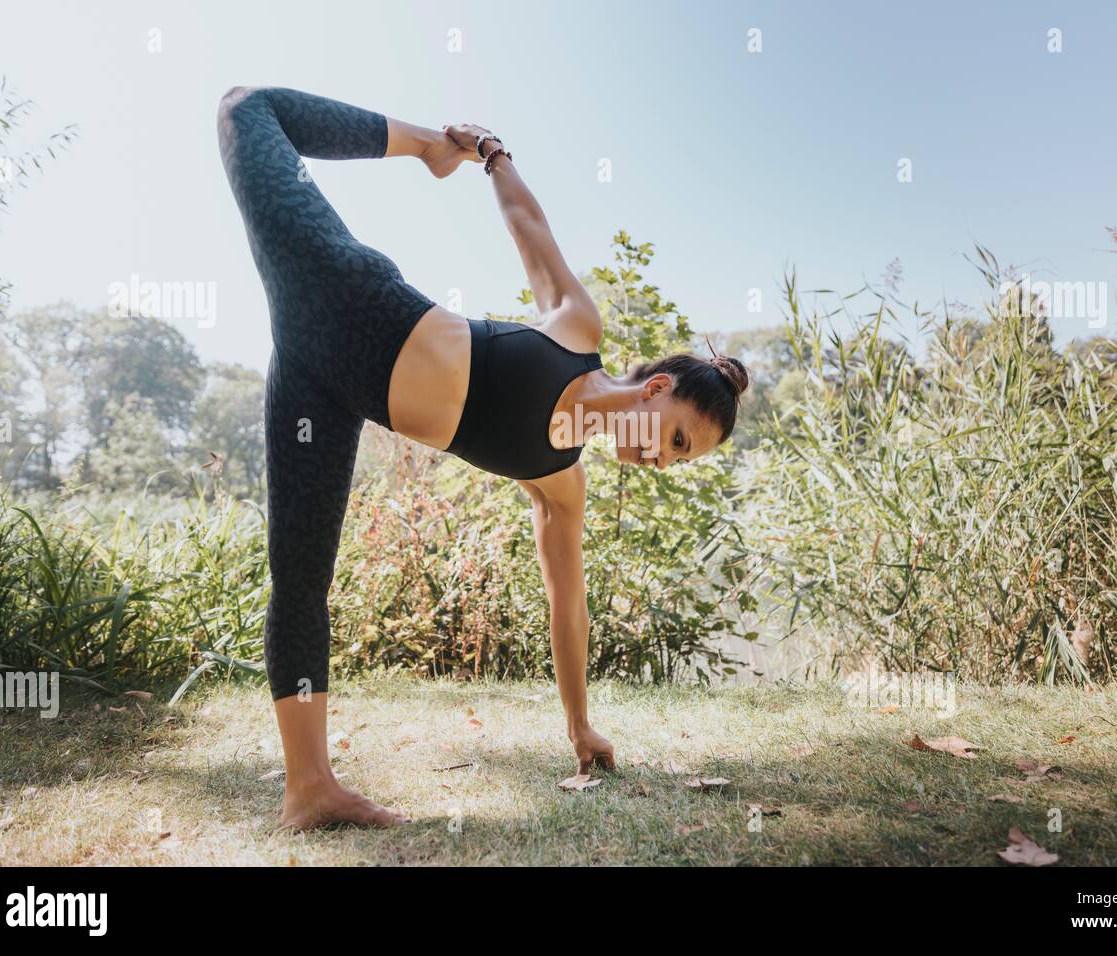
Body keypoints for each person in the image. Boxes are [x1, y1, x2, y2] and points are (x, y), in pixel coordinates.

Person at [217, 86, 749, 828]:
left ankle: (309, 789)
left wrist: (579, 727)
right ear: (657, 389)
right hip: (346, 295)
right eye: (679, 439)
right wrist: (486, 152)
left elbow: (570, 609)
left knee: (299, 578)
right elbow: (529, 226)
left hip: (320, 385)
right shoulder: (575, 331)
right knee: (246, 109)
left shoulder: (561, 484)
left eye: (680, 461)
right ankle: (421, 145)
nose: (665, 461)